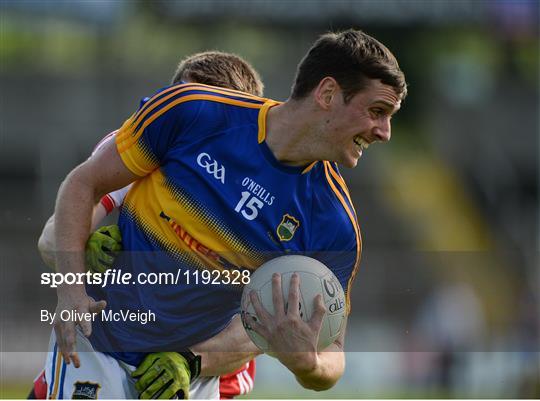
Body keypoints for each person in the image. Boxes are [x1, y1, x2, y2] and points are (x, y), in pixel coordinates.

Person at [48, 29, 406, 398]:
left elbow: (333, 356)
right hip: (98, 345)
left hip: (190, 380)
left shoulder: (334, 221)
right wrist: (72, 292)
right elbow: (83, 185)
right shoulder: (193, 112)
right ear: (328, 93)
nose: (385, 132)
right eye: (377, 111)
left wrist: (306, 362)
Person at [34, 51, 261, 399]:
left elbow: (267, 321)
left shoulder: (266, 190)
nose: (186, 121)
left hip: (210, 370)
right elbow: (52, 240)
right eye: (179, 106)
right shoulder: (139, 148)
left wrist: (193, 361)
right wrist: (84, 249)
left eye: (203, 112)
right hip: (112, 349)